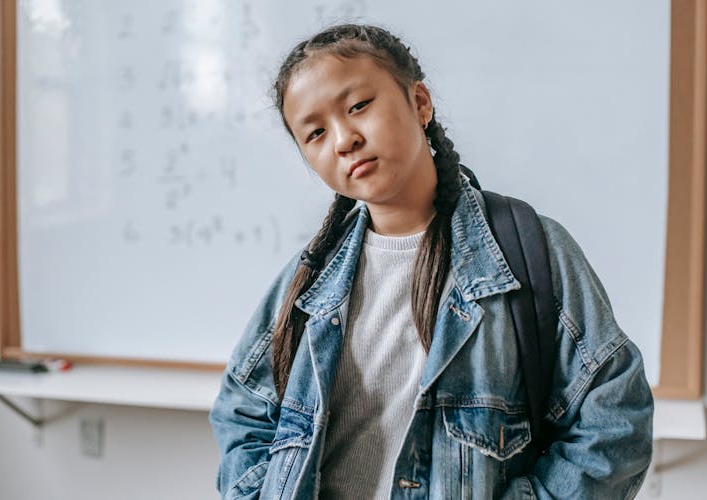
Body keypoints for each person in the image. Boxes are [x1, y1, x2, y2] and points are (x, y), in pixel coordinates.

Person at [209, 23, 653, 500]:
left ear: (420, 103)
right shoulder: (311, 280)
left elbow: (615, 422)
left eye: (358, 106)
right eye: (315, 133)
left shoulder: (524, 250)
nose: (343, 139)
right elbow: (243, 416)